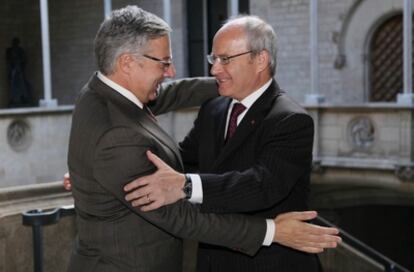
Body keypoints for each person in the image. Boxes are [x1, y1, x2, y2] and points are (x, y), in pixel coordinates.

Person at [67, 6, 340, 272]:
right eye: (214, 60)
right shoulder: (207, 111)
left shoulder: (291, 120)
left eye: (226, 59)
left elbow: (262, 185)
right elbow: (181, 180)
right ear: (126, 63)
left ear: (260, 60)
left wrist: (235, 84)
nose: (214, 70)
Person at [6, 37, 32, 107]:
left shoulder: (21, 50)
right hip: (13, 69)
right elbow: (8, 59)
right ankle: (13, 99)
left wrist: (19, 63)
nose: (15, 44)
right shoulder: (10, 50)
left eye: (16, 43)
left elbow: (24, 59)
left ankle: (23, 97)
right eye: (14, 43)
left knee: (22, 85)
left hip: (19, 69)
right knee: (13, 85)